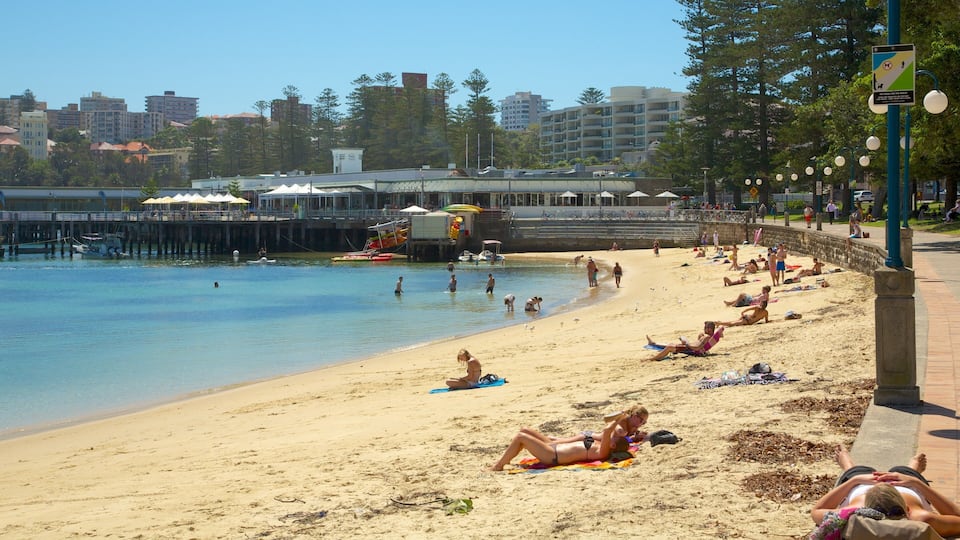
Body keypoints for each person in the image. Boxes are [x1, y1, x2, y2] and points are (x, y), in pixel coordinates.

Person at [809, 444, 960, 538]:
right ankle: (912, 469)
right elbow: (956, 516)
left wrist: (855, 480)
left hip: (864, 487)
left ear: (864, 510)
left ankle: (849, 467)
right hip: (902, 486)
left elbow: (817, 510)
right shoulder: (922, 519)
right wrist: (916, 482)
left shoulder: (850, 516)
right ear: (907, 510)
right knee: (903, 471)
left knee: (856, 472)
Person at [489, 406, 649, 471]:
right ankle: (506, 460)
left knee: (520, 437)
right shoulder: (604, 447)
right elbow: (607, 433)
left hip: (552, 456)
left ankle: (498, 466)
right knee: (524, 431)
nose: (609, 440)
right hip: (553, 449)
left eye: (612, 441)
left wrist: (620, 417)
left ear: (613, 446)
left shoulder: (603, 451)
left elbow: (607, 430)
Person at [646, 321, 724, 361]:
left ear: (709, 329)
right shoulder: (706, 336)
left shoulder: (707, 337)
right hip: (690, 348)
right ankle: (654, 343)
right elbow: (720, 329)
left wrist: (687, 344)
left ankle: (652, 359)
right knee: (671, 344)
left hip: (692, 350)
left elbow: (697, 348)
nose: (704, 329)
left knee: (670, 347)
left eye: (706, 327)